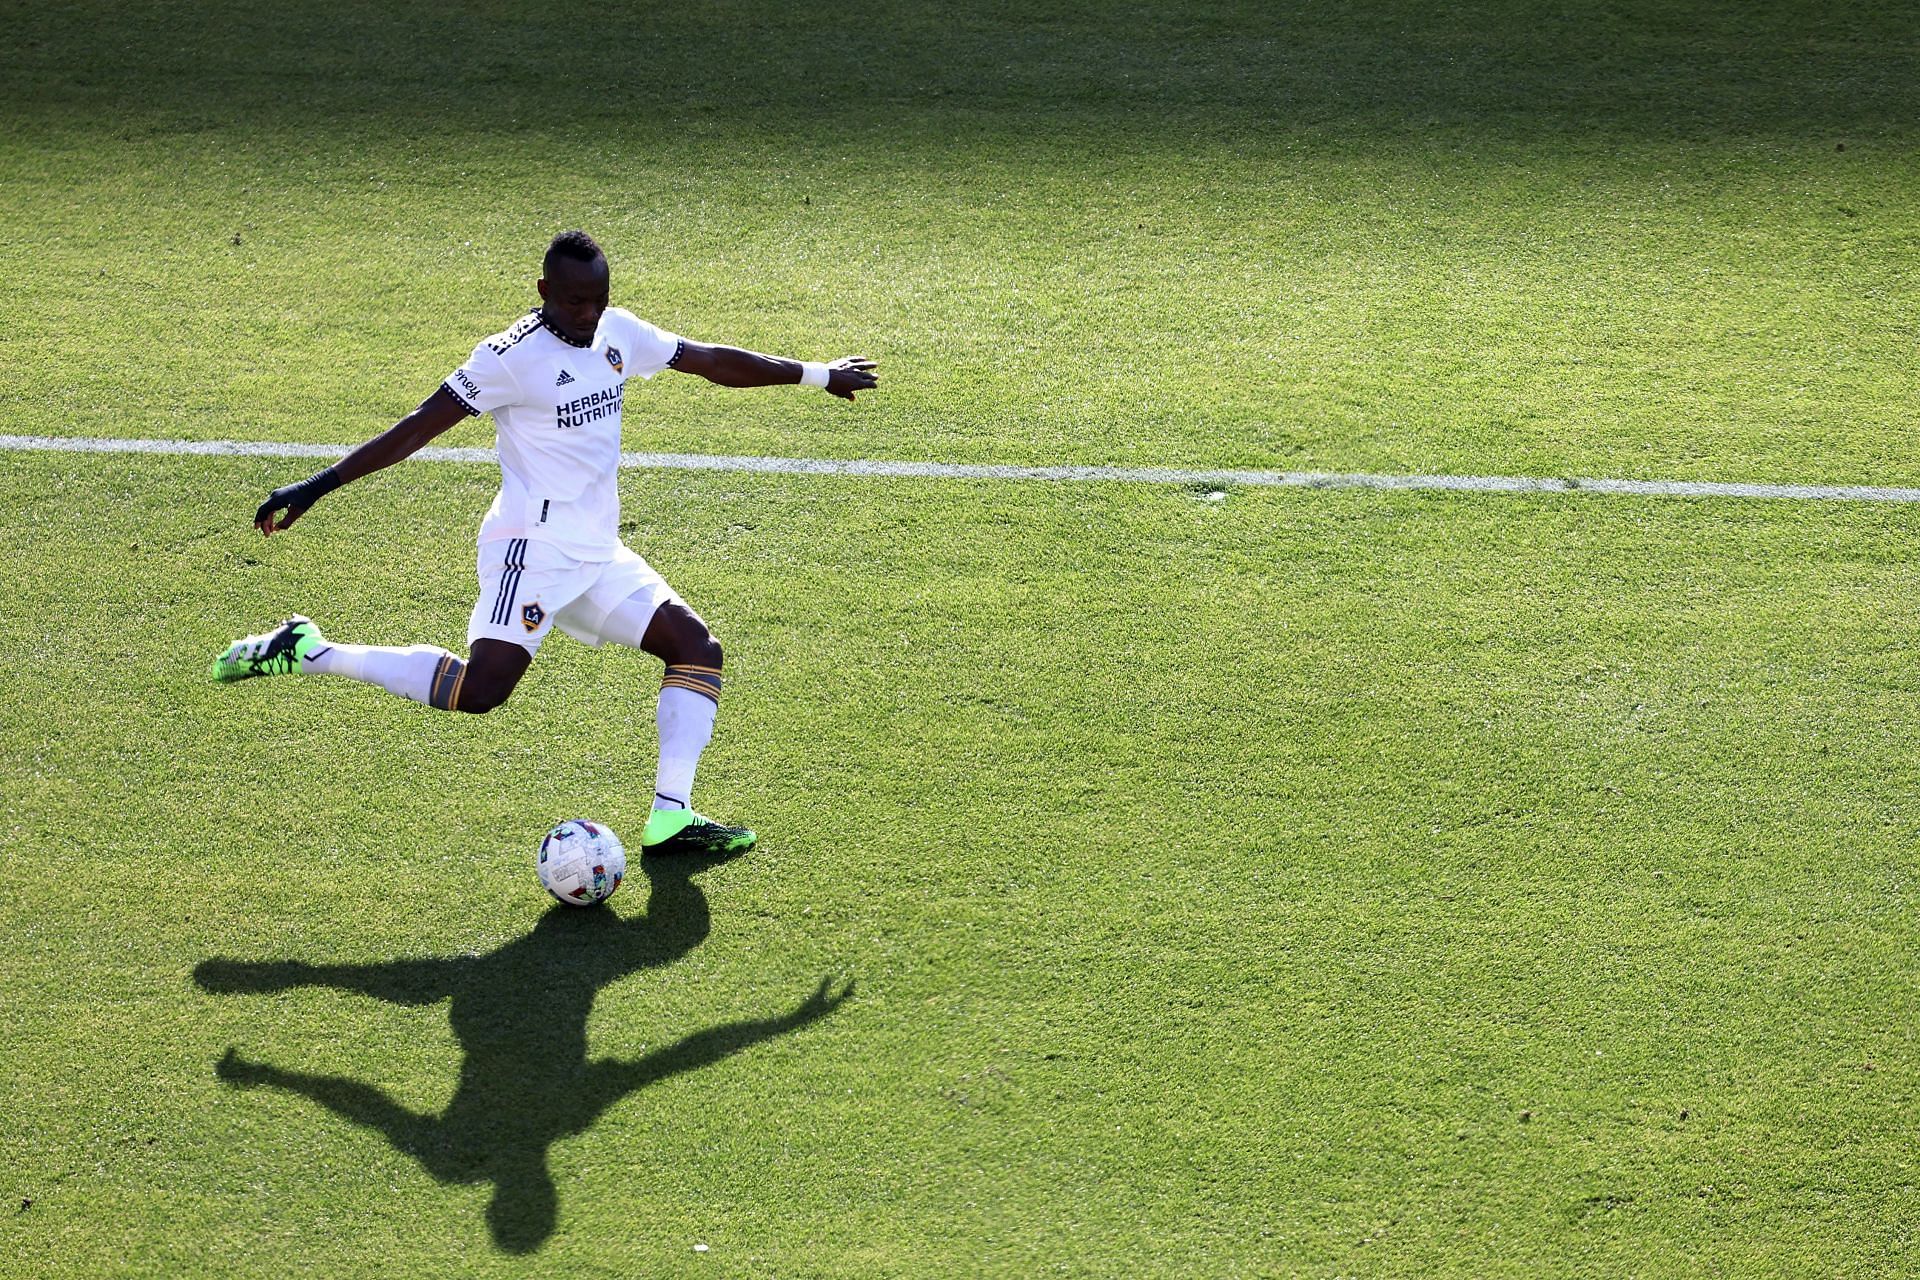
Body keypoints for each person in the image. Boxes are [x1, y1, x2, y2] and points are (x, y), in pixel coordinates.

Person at [211, 229, 878, 856]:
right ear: (543, 292)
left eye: (598, 299)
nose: (588, 314)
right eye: (574, 301)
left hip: (595, 551)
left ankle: (671, 815)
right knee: (481, 692)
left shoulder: (617, 333)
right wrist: (316, 486)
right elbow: (416, 427)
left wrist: (817, 374)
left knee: (695, 648)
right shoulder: (506, 359)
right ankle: (309, 650)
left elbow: (707, 360)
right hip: (530, 550)